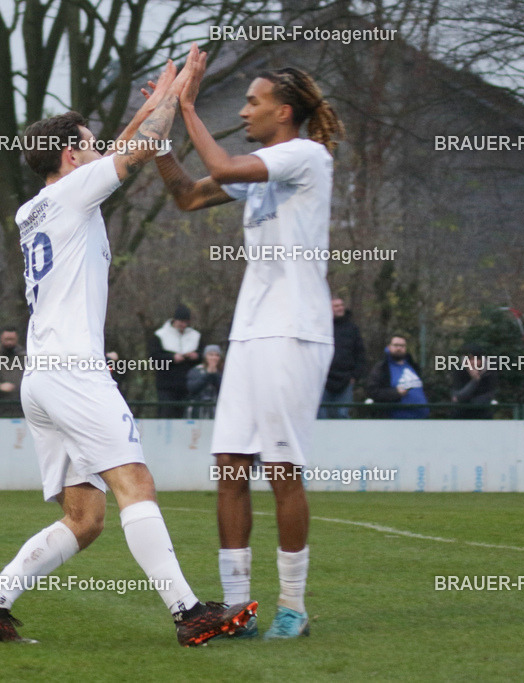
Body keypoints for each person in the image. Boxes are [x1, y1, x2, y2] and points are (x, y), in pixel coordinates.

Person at [0, 56, 256, 647]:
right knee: (135, 484)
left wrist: (150, 106)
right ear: (71, 155)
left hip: (40, 380)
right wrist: (175, 96)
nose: (98, 151)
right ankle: (188, 611)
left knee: (85, 519)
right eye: (88, 145)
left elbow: (124, 145)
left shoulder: (34, 208)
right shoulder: (75, 193)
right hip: (74, 373)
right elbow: (143, 146)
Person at [152, 46, 345, 639]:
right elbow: (187, 195)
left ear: (284, 112)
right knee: (231, 464)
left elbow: (228, 167)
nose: (244, 111)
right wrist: (159, 133)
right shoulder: (268, 165)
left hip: (296, 330)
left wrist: (187, 106)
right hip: (252, 331)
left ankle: (292, 606)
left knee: (283, 467)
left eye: (253, 102)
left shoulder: (306, 155)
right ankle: (238, 608)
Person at [148, 305, 200, 418]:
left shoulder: (195, 336)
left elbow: (202, 356)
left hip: (188, 384)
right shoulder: (160, 335)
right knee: (166, 413)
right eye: (181, 322)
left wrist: (195, 356)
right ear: (174, 320)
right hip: (166, 385)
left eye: (186, 322)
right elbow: (154, 357)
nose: (183, 325)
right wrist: (171, 358)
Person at [320, 297, 366, 419]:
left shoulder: (352, 329)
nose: (340, 308)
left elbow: (360, 354)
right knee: (321, 414)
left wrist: (355, 376)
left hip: (345, 380)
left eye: (341, 305)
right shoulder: (321, 328)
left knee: (342, 415)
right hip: (323, 380)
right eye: (336, 306)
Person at [366, 335, 430, 419]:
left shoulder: (412, 365)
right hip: (396, 421)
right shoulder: (382, 368)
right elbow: (373, 391)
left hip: (422, 420)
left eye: (402, 346)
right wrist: (395, 393)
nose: (399, 348)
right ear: (389, 347)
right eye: (396, 345)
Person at [450, 343, 498, 419]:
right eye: (468, 359)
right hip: (460, 415)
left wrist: (467, 401)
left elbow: (488, 396)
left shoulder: (490, 371)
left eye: (474, 359)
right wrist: (475, 380)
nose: (472, 362)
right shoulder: (459, 370)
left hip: (483, 414)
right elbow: (459, 396)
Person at [186, 344, 223, 419]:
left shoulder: (223, 372)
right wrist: (208, 374)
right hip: (198, 408)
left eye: (217, 355)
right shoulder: (196, 370)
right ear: (205, 356)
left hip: (217, 407)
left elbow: (223, 389)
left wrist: (214, 374)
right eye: (211, 355)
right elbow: (192, 388)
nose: (214, 358)